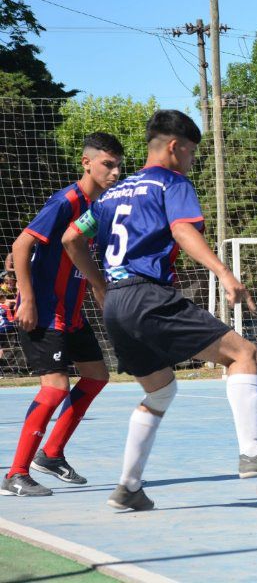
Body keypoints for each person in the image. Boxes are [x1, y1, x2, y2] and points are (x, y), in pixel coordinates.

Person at [62, 110, 257, 510]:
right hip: (148, 295)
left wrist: (99, 284)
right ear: (174, 147)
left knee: (160, 390)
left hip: (118, 304)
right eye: (191, 153)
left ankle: (128, 488)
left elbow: (72, 238)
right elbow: (181, 229)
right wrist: (225, 274)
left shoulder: (108, 196)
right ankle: (253, 449)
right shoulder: (170, 182)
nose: (192, 161)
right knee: (243, 353)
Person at [0, 133, 123, 498]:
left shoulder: (102, 206)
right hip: (44, 312)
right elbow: (21, 245)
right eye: (107, 164)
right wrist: (27, 298)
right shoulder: (66, 201)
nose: (115, 172)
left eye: (119, 165)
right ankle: (16, 473)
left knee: (97, 377)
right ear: (86, 163)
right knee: (54, 388)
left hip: (71, 313)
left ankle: (51, 454)